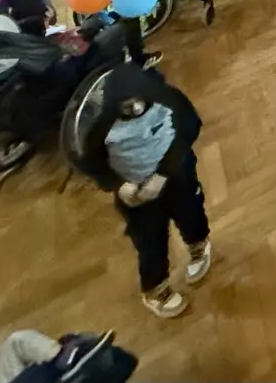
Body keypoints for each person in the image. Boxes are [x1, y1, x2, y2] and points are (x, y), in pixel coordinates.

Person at [87, 63, 211, 317]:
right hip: (136, 193)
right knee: (150, 241)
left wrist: (163, 175)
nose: (135, 109)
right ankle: (156, 290)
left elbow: (189, 127)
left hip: (177, 175)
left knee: (191, 213)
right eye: (126, 106)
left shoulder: (166, 97)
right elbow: (89, 160)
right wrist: (117, 185)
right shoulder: (99, 124)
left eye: (138, 102)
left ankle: (198, 246)